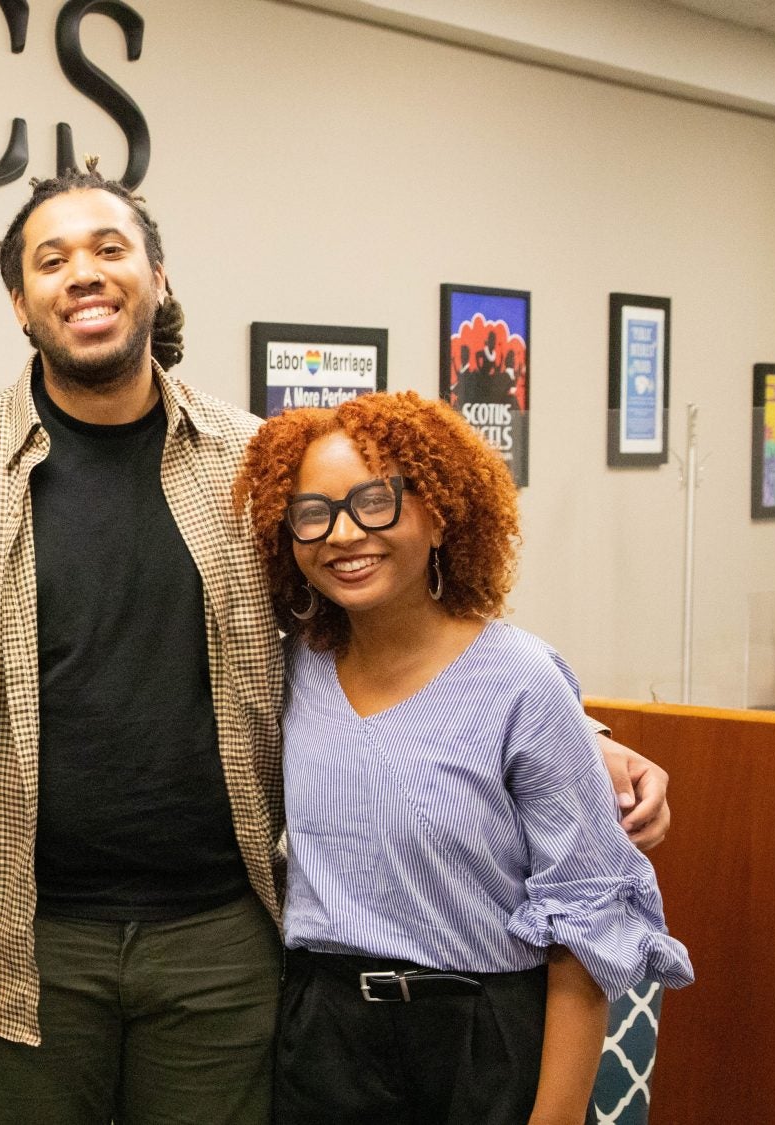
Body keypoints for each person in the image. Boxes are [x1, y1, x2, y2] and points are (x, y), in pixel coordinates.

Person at [0, 161, 674, 1125]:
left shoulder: (253, 461)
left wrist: (577, 736)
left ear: (159, 277)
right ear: (21, 302)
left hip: (223, 937)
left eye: (111, 249)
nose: (85, 274)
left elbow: (374, 613)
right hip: (19, 937)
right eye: (52, 259)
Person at [234, 392, 692, 1123]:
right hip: (322, 1039)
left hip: (482, 1040)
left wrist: (558, 1115)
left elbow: (585, 913)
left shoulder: (524, 681)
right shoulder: (292, 672)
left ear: (441, 512)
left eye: (375, 501)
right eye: (311, 513)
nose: (343, 533)